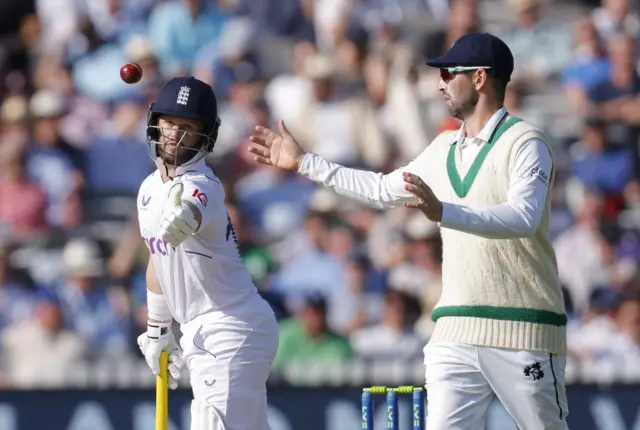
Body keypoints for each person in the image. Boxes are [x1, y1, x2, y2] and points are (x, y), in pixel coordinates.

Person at [249, 32, 569, 430]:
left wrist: (443, 211)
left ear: (481, 78)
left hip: (525, 328)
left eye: (449, 73)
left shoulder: (526, 142)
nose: (439, 83)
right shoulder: (443, 148)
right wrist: (306, 164)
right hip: (455, 328)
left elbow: (522, 216)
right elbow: (382, 190)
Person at [136, 76, 279, 430]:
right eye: (169, 122)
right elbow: (158, 259)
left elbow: (193, 208)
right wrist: (158, 329)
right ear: (155, 122)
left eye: (187, 127)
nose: (174, 133)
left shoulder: (205, 186)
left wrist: (183, 216)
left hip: (230, 326)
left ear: (206, 136)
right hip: (202, 330)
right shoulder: (149, 189)